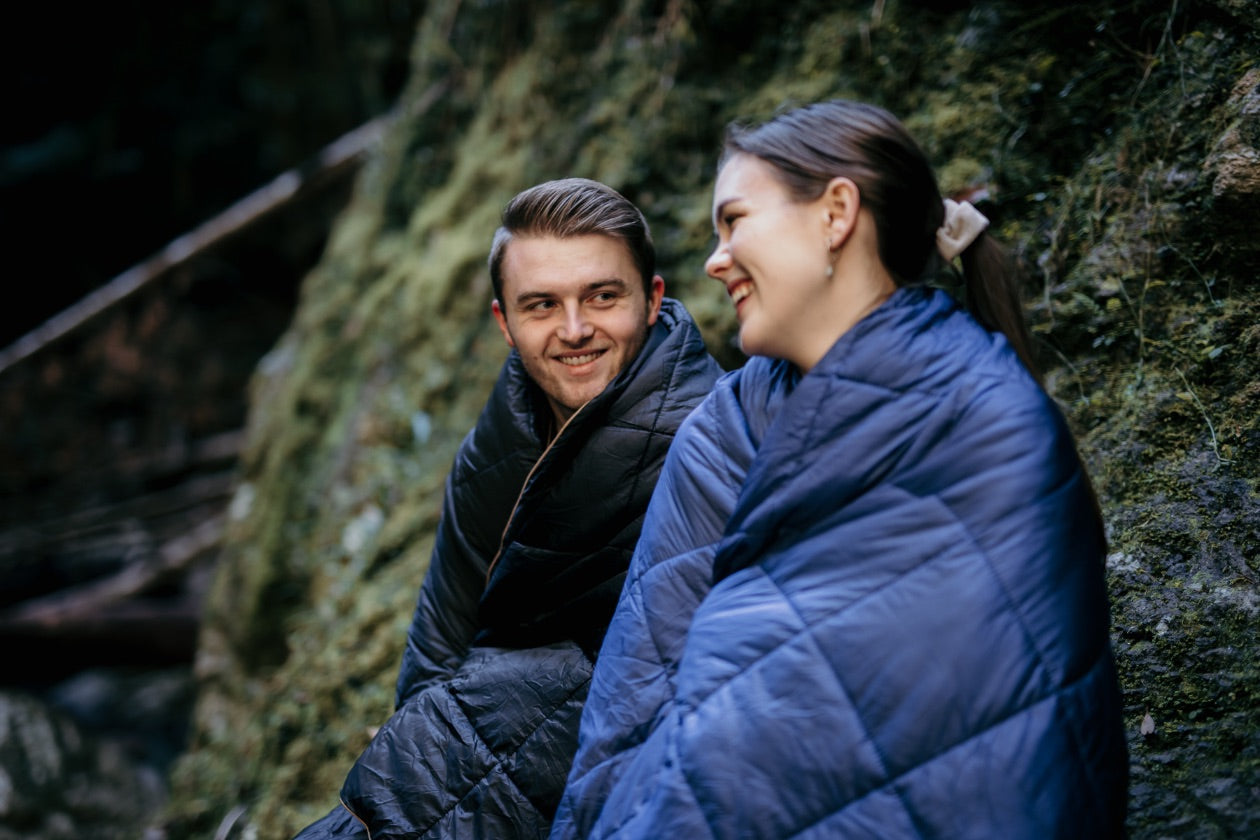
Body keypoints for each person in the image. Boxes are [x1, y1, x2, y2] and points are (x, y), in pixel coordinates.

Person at [551, 100, 1129, 839]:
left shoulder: (986, 423)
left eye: (734, 221)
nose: (714, 258)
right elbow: (640, 690)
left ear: (836, 213)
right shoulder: (726, 431)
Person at [295, 178, 722, 839]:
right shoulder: (496, 445)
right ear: (504, 322)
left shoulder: (712, 440)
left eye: (602, 297)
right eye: (542, 305)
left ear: (652, 299)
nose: (575, 329)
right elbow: (440, 644)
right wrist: (426, 745)